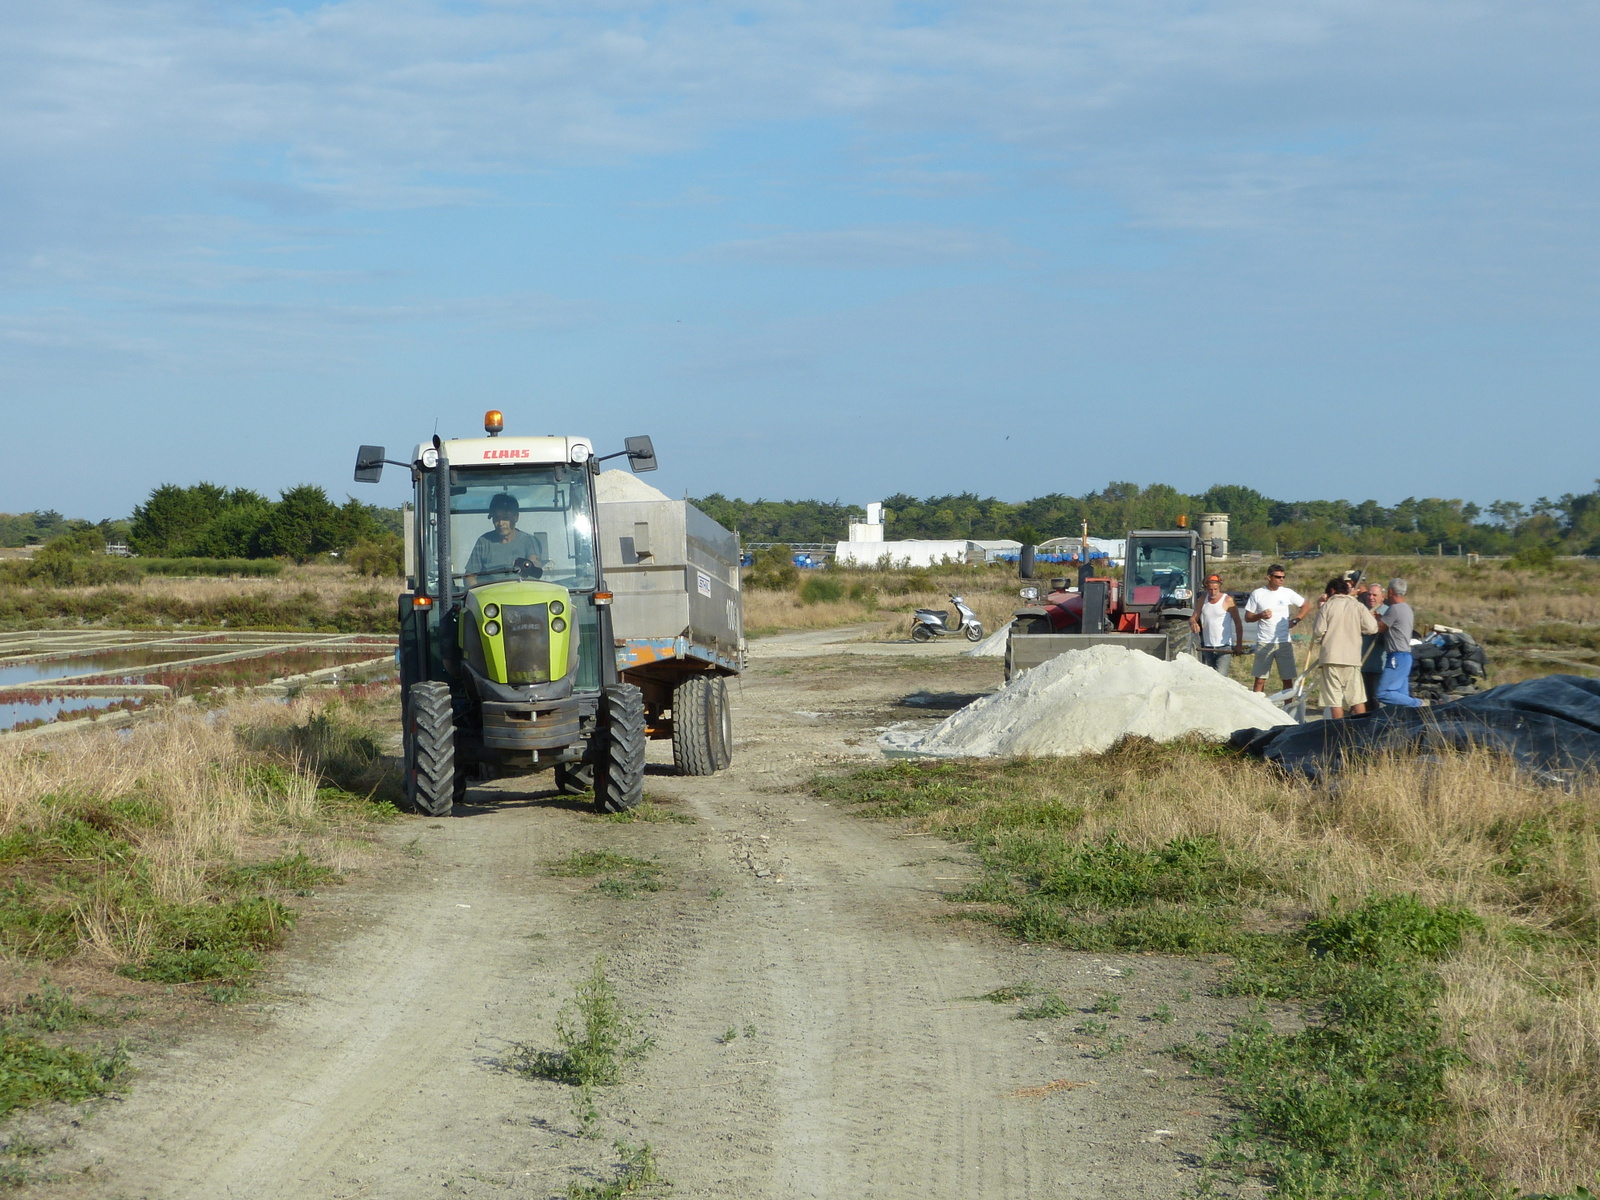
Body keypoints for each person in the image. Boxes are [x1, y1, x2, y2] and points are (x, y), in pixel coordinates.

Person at [1310, 577, 1379, 719]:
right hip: (1352, 658)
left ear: (1332, 591)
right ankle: (1362, 727)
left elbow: (1318, 631)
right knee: (1357, 698)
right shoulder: (1358, 606)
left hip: (1331, 658)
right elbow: (1372, 628)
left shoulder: (1327, 606)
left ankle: (1339, 729)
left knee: (1334, 700)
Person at [1245, 564, 1312, 693]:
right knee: (1260, 679)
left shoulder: (1287, 592)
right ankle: (1257, 702)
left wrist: (1295, 620)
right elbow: (1248, 617)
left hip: (1283, 642)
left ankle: (1288, 705)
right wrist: (1260, 615)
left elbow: (1306, 605)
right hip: (1264, 641)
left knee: (1287, 679)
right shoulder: (1258, 593)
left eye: (1283, 577)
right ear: (1269, 577)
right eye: (1278, 577)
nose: (1281, 579)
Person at [464, 493, 543, 588]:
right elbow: (469, 576)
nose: (501, 523)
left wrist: (527, 565)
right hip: (489, 594)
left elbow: (535, 566)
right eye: (496, 518)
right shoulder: (483, 542)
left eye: (505, 518)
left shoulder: (528, 540)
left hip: (521, 592)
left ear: (516, 517)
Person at [1372, 578, 1424, 708]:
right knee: (1401, 698)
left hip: (1396, 656)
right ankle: (1408, 716)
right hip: (1405, 656)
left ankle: (1419, 704)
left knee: (1383, 693)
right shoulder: (1407, 609)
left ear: (1390, 592)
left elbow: (1380, 628)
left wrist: (1372, 618)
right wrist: (1381, 618)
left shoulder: (1394, 609)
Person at [1190, 574, 1244, 676]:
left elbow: (1238, 622)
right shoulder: (1202, 600)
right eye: (1210, 589)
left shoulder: (1228, 600)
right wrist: (1193, 623)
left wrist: (1239, 644)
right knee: (1209, 677)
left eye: (1215, 589)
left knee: (1221, 677)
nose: (1213, 592)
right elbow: (1193, 618)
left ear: (1219, 587)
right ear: (1206, 588)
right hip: (1207, 646)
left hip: (1224, 646)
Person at [1358, 583, 1387, 708]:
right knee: (1363, 702)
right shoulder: (1362, 610)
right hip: (1362, 665)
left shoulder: (1388, 612)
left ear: (1382, 597)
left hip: (1379, 666)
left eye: (1375, 595)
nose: (1371, 597)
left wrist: (1378, 621)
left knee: (1377, 701)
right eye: (1369, 594)